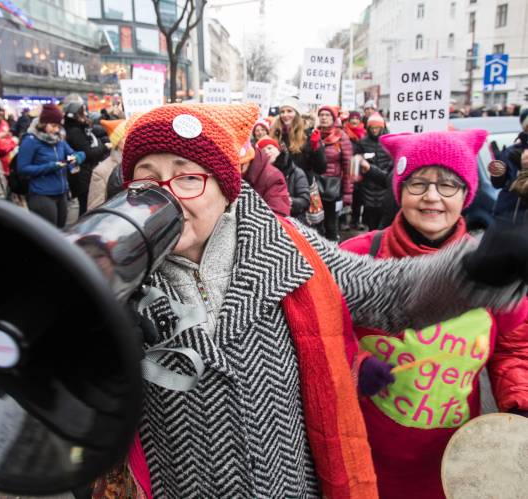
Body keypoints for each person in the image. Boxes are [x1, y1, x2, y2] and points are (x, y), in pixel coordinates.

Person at [92, 103, 528, 499]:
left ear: (226, 189)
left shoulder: (285, 245)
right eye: (147, 178)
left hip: (289, 484)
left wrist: (472, 270)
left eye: (188, 177)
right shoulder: (111, 271)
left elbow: (383, 290)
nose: (165, 195)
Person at [341, 129, 528, 499]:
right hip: (368, 454)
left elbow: (514, 349)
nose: (431, 196)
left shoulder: (492, 267)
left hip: (453, 460)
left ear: (466, 194)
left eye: (447, 184)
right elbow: (323, 334)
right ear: (400, 191)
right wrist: (355, 364)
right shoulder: (357, 255)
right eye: (418, 183)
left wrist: (518, 402)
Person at [16, 104, 84, 228]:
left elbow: (75, 153)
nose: (56, 130)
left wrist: (78, 157)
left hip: (62, 194)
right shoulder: (31, 141)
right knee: (48, 233)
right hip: (42, 195)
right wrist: (50, 167)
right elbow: (22, 168)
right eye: (53, 126)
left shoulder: (59, 141)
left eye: (58, 126)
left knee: (61, 231)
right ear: (43, 123)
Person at [63, 100, 111, 215]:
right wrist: (104, 147)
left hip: (85, 172)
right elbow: (88, 153)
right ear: (76, 115)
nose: (86, 114)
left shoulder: (82, 129)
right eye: (83, 112)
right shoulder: (75, 132)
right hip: (81, 175)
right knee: (85, 206)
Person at [318, 105, 353, 241]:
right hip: (315, 187)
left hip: (333, 188)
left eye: (327, 115)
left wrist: (348, 193)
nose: (324, 118)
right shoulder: (314, 135)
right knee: (316, 223)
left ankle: (332, 248)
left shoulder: (342, 137)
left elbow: (348, 167)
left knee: (331, 224)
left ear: (333, 118)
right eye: (321, 115)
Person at [353, 113, 393, 231]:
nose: (374, 130)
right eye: (372, 128)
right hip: (368, 187)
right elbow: (357, 160)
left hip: (384, 186)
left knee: (384, 224)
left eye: (377, 128)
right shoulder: (362, 142)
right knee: (371, 223)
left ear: (382, 127)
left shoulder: (388, 141)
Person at [489, 108, 528, 225]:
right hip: (507, 215)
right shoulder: (511, 151)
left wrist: (525, 169)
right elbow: (497, 184)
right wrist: (497, 170)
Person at [243, 137, 291, 216]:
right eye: (263, 150)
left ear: (277, 149)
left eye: (269, 148)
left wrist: (293, 201)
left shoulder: (276, 175)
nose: (267, 152)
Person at [88, 119, 126, 210]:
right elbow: (96, 209)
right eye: (126, 136)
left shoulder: (140, 163)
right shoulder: (101, 171)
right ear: (117, 142)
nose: (133, 138)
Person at [344, 111, 367, 229]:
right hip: (347, 169)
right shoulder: (344, 134)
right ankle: (343, 221)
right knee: (346, 196)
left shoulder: (364, 134)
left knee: (358, 197)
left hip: (360, 170)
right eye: (352, 118)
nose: (354, 121)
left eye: (356, 118)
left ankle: (355, 221)